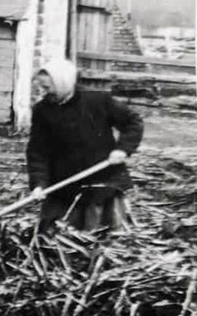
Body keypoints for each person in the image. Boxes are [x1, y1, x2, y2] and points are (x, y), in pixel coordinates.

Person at [26, 58, 144, 233]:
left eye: (48, 87)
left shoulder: (97, 101)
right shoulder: (42, 111)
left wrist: (123, 149)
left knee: (99, 234)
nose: (44, 92)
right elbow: (37, 151)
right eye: (41, 87)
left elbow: (133, 122)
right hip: (63, 184)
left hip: (101, 181)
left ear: (63, 83)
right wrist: (39, 184)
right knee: (56, 235)